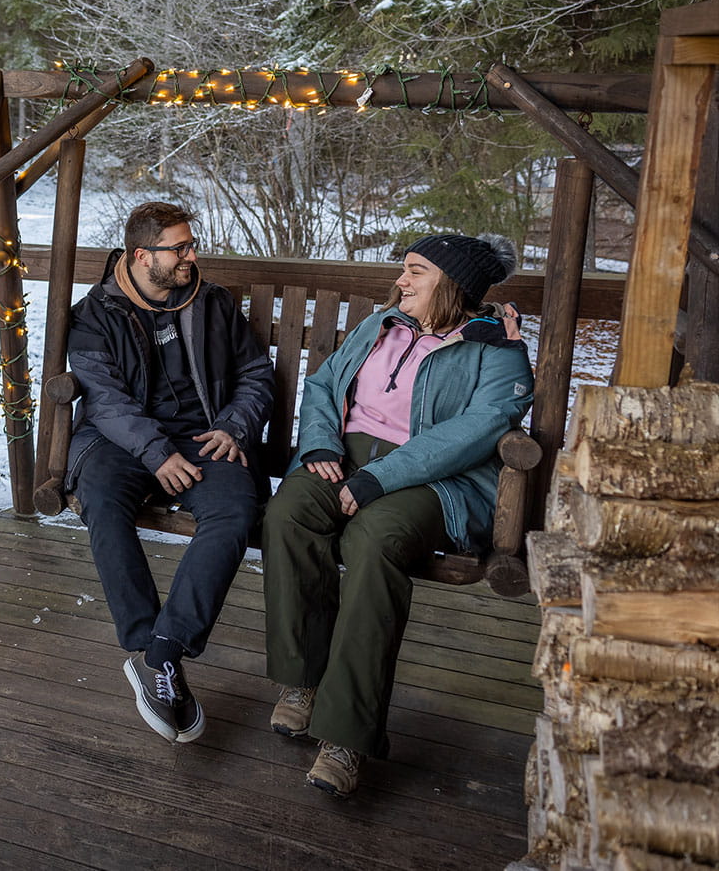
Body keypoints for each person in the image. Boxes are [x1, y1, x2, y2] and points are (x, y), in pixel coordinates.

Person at [262, 233, 533, 798]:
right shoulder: (382, 324)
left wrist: (377, 479)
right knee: (289, 513)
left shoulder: (496, 348)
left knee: (376, 538)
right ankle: (304, 681)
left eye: (415, 272)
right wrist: (318, 446)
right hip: (347, 455)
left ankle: (346, 734)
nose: (400, 282)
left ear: (450, 284)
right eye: (403, 271)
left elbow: (477, 429)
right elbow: (323, 385)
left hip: (439, 477)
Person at [64, 201, 274, 744]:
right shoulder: (96, 313)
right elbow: (105, 401)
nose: (191, 256)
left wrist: (234, 426)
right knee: (103, 504)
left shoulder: (213, 303)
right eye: (178, 248)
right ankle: (144, 644)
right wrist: (156, 453)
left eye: (191, 244)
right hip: (123, 440)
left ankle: (163, 651)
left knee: (234, 513)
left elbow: (255, 372)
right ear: (141, 256)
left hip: (205, 435)